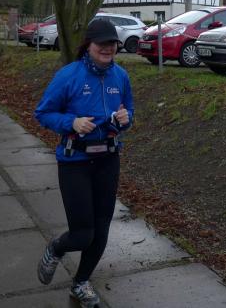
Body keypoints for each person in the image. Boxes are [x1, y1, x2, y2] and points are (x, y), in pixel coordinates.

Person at [34, 19, 134, 307]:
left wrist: (125, 119)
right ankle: (56, 248)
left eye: (112, 43)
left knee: (101, 231)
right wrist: (72, 122)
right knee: (82, 234)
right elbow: (43, 113)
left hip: (108, 160)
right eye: (101, 43)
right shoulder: (69, 75)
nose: (107, 48)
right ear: (88, 45)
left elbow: (129, 112)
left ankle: (81, 282)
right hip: (75, 161)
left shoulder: (121, 76)